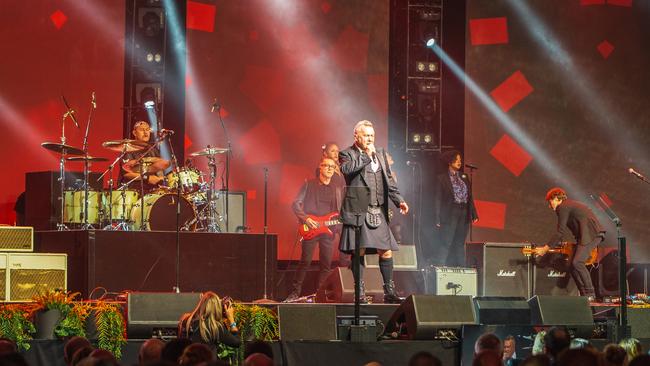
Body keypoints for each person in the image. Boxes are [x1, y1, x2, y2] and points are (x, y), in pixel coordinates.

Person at [339, 120, 409, 303]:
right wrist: (366, 156)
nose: (370, 139)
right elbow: (347, 170)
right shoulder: (347, 154)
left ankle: (389, 292)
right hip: (358, 210)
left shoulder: (381, 154)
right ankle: (359, 292)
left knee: (386, 252)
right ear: (356, 136)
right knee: (359, 251)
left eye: (372, 135)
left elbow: (389, 182)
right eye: (366, 135)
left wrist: (399, 201)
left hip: (378, 210)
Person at [285, 157, 343, 302]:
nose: (330, 168)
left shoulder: (337, 189)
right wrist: (305, 218)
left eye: (332, 166)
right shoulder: (308, 185)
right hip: (310, 228)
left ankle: (319, 294)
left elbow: (340, 211)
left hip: (328, 231)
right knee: (305, 262)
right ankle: (294, 293)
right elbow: (295, 204)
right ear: (320, 168)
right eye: (327, 166)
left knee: (326, 265)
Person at [535, 188, 605, 300]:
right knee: (571, 265)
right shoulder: (567, 205)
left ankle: (590, 295)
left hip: (591, 234)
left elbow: (560, 232)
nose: (550, 205)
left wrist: (545, 248)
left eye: (550, 202)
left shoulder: (562, 207)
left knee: (577, 263)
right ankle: (584, 295)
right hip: (587, 235)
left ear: (557, 199)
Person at [432, 150, 478, 267]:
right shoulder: (442, 178)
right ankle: (440, 265)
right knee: (447, 240)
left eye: (460, 160)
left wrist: (474, 213)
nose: (459, 162)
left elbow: (469, 196)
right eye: (456, 160)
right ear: (449, 161)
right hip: (450, 212)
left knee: (460, 242)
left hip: (464, 212)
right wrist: (437, 217)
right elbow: (437, 199)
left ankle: (461, 267)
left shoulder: (464, 176)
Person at [120, 121, 170, 192]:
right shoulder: (128, 150)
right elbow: (127, 174)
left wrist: (161, 179)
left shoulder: (153, 149)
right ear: (134, 133)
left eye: (147, 130)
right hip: (134, 190)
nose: (145, 133)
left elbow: (159, 169)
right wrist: (147, 178)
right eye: (142, 130)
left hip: (152, 191)